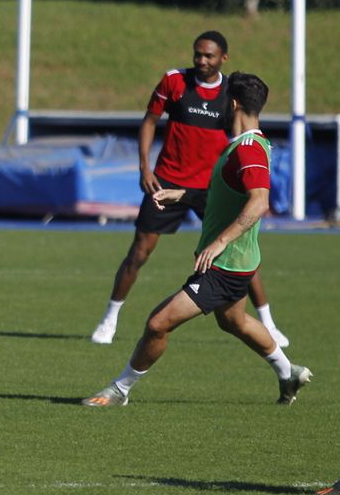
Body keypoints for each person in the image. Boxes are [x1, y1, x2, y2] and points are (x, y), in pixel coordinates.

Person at [83, 72, 311, 408]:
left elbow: (259, 201)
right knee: (234, 321)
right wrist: (185, 195)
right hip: (238, 262)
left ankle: (120, 390)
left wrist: (219, 242)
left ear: (232, 104)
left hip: (225, 265)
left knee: (158, 323)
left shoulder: (249, 150)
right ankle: (288, 371)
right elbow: (226, 194)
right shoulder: (243, 145)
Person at [89, 32, 290, 348]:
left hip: (213, 185)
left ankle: (268, 322)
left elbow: (242, 139)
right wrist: (144, 167)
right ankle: (110, 317)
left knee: (237, 253)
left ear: (223, 58)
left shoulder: (231, 94)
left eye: (209, 56)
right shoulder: (174, 81)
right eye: (197, 54)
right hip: (168, 180)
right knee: (139, 251)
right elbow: (149, 120)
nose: (201, 60)